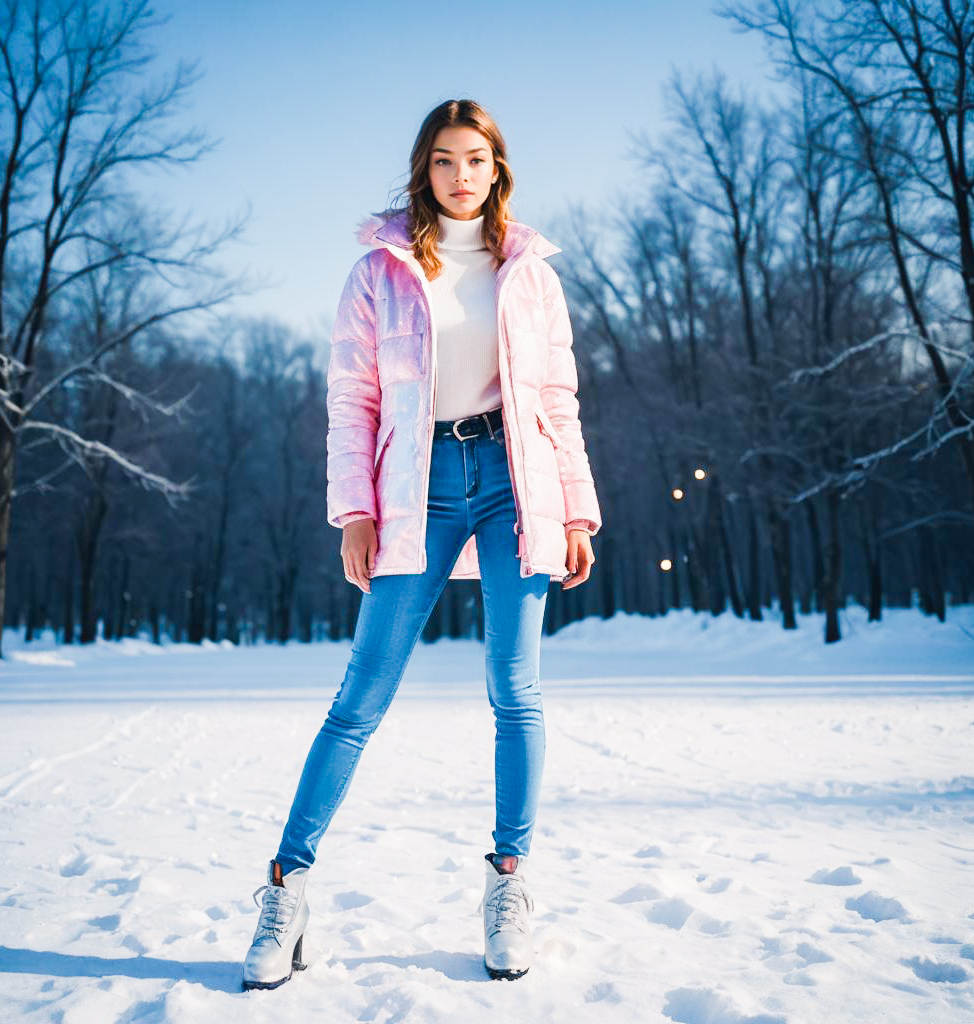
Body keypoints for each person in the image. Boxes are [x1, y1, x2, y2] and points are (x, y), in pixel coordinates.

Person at [242, 98, 602, 990]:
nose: (460, 176)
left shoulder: (533, 274)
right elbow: (351, 402)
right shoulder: (380, 271)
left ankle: (509, 884)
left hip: (518, 486)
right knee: (362, 694)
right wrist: (353, 511)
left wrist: (578, 512)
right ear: (424, 169)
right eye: (444, 160)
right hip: (419, 489)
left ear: (498, 168)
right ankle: (285, 890)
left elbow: (557, 402)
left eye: (475, 159)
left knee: (515, 693)